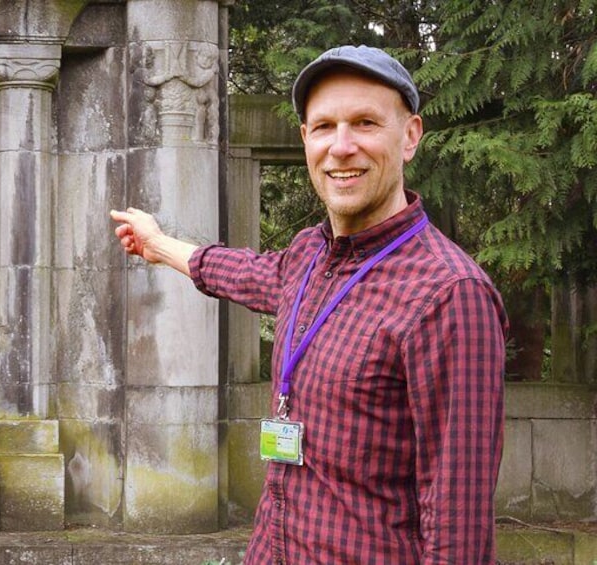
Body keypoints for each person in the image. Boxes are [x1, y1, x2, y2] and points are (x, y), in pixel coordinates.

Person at [111, 45, 507, 564]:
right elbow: (247, 274)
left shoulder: (450, 295)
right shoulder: (311, 254)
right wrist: (159, 246)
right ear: (305, 140)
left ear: (410, 136)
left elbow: (459, 525)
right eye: (324, 127)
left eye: (365, 123)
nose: (341, 147)